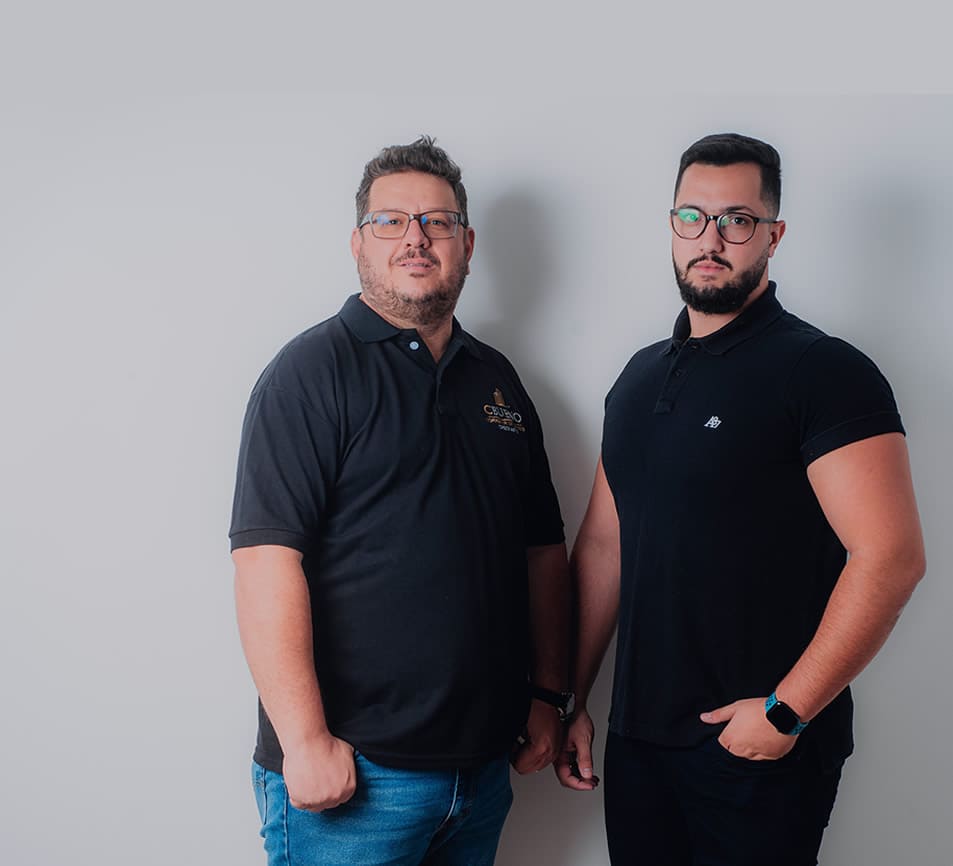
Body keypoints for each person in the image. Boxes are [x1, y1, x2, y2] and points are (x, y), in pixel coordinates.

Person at [556, 132, 926, 865]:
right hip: (639, 742)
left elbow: (890, 557)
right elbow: (603, 548)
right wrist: (571, 699)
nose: (711, 239)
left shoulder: (823, 371)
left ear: (772, 235)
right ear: (671, 226)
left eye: (737, 220)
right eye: (692, 217)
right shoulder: (636, 379)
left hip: (759, 747)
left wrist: (786, 712)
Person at [229, 136, 572, 866]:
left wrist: (548, 694)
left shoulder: (497, 381)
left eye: (437, 222)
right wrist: (304, 742)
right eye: (390, 221)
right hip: (355, 778)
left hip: (483, 770)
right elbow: (264, 564)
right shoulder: (308, 374)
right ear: (359, 243)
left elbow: (541, 551)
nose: (415, 238)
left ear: (466, 245)